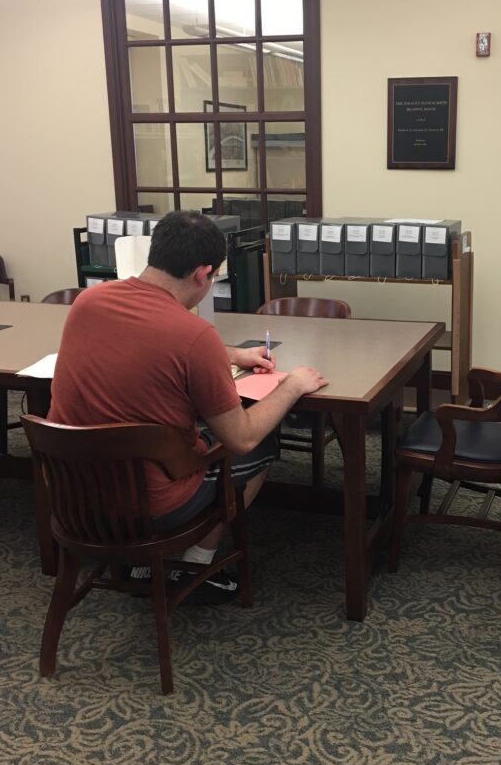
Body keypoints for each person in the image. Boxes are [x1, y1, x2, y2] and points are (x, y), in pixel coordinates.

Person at [48, 210, 328, 601]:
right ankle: (197, 563)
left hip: (73, 496)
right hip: (149, 507)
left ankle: (149, 562)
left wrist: (228, 354)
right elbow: (241, 437)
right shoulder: (195, 336)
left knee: (198, 432)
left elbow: (143, 340)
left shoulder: (88, 303)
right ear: (203, 274)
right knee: (261, 446)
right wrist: (293, 385)